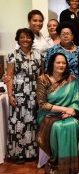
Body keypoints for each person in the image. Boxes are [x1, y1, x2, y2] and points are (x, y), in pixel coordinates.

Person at [36, 53, 79, 174]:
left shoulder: (71, 79)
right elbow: (42, 104)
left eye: (64, 63)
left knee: (72, 124)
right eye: (58, 62)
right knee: (57, 127)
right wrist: (64, 109)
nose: (61, 65)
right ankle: (56, 163)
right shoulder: (43, 79)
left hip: (68, 114)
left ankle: (71, 167)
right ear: (52, 63)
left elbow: (75, 100)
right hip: (48, 115)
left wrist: (71, 111)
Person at [6, 28, 44, 164]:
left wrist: (41, 95)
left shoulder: (39, 55)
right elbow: (9, 77)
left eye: (28, 37)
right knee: (18, 124)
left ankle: (32, 153)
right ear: (18, 39)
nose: (25, 40)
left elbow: (41, 76)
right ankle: (18, 154)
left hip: (34, 94)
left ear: (32, 39)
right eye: (22, 37)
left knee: (32, 123)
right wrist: (10, 95)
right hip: (19, 93)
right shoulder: (12, 55)